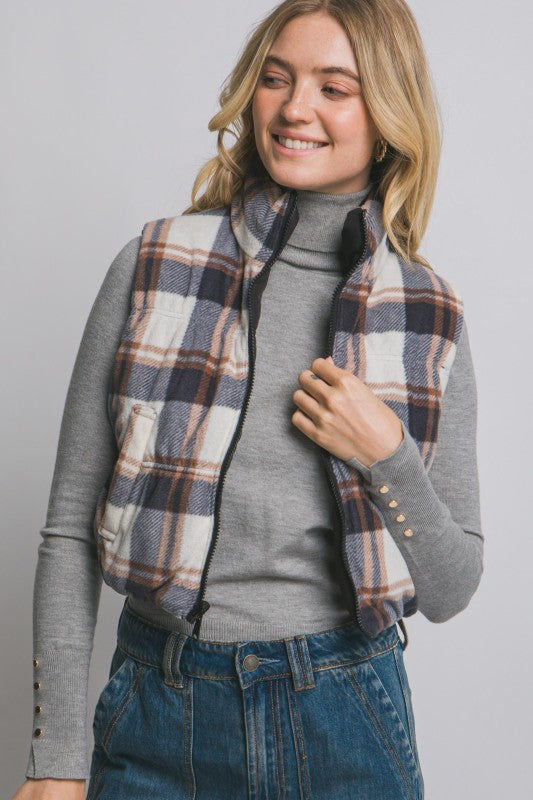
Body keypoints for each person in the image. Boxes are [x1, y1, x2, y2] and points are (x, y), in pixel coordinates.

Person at [12, 1, 484, 798]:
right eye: (276, 78)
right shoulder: (154, 265)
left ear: (386, 117)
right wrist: (55, 756)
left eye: (334, 88)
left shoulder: (425, 314)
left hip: (344, 715)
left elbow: (453, 586)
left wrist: (388, 458)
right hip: (158, 711)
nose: (295, 108)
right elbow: (67, 532)